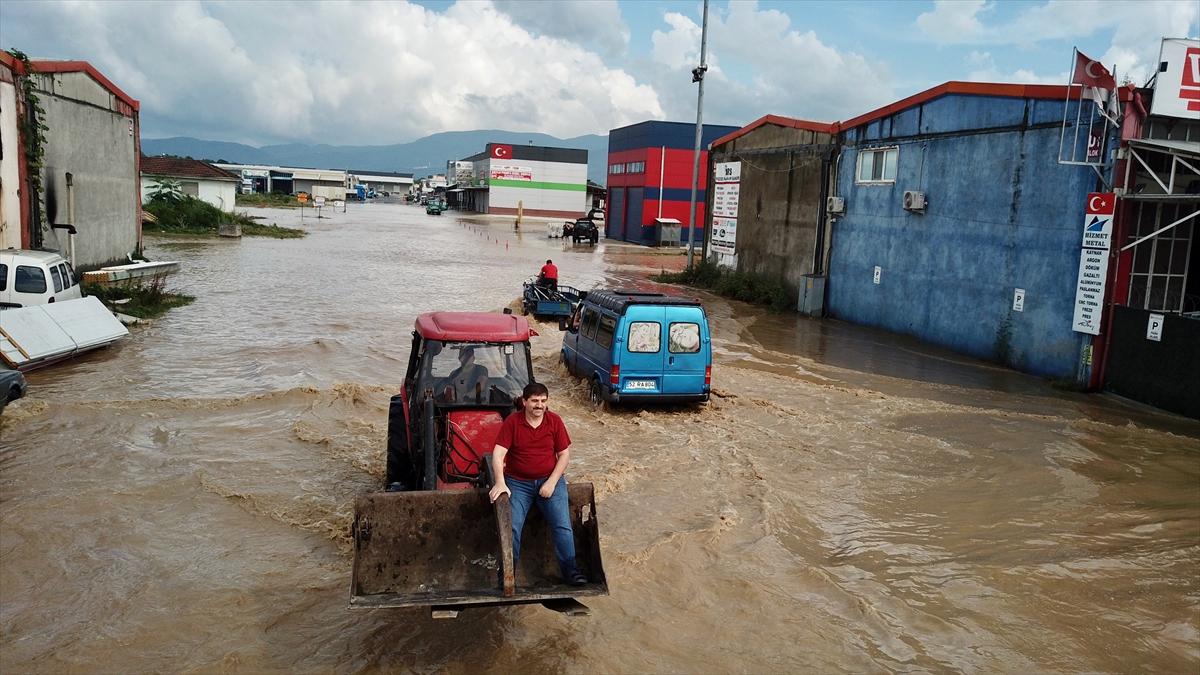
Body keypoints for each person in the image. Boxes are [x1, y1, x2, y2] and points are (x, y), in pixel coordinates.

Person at [488, 382, 587, 586]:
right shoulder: (512, 423)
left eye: (543, 401)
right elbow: (498, 454)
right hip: (518, 483)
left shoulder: (555, 421)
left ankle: (571, 571)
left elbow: (564, 455)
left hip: (550, 480)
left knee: (562, 525)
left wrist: (551, 482)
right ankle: (508, 574)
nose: (539, 405)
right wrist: (500, 482)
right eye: (534, 401)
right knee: (512, 526)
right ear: (524, 402)